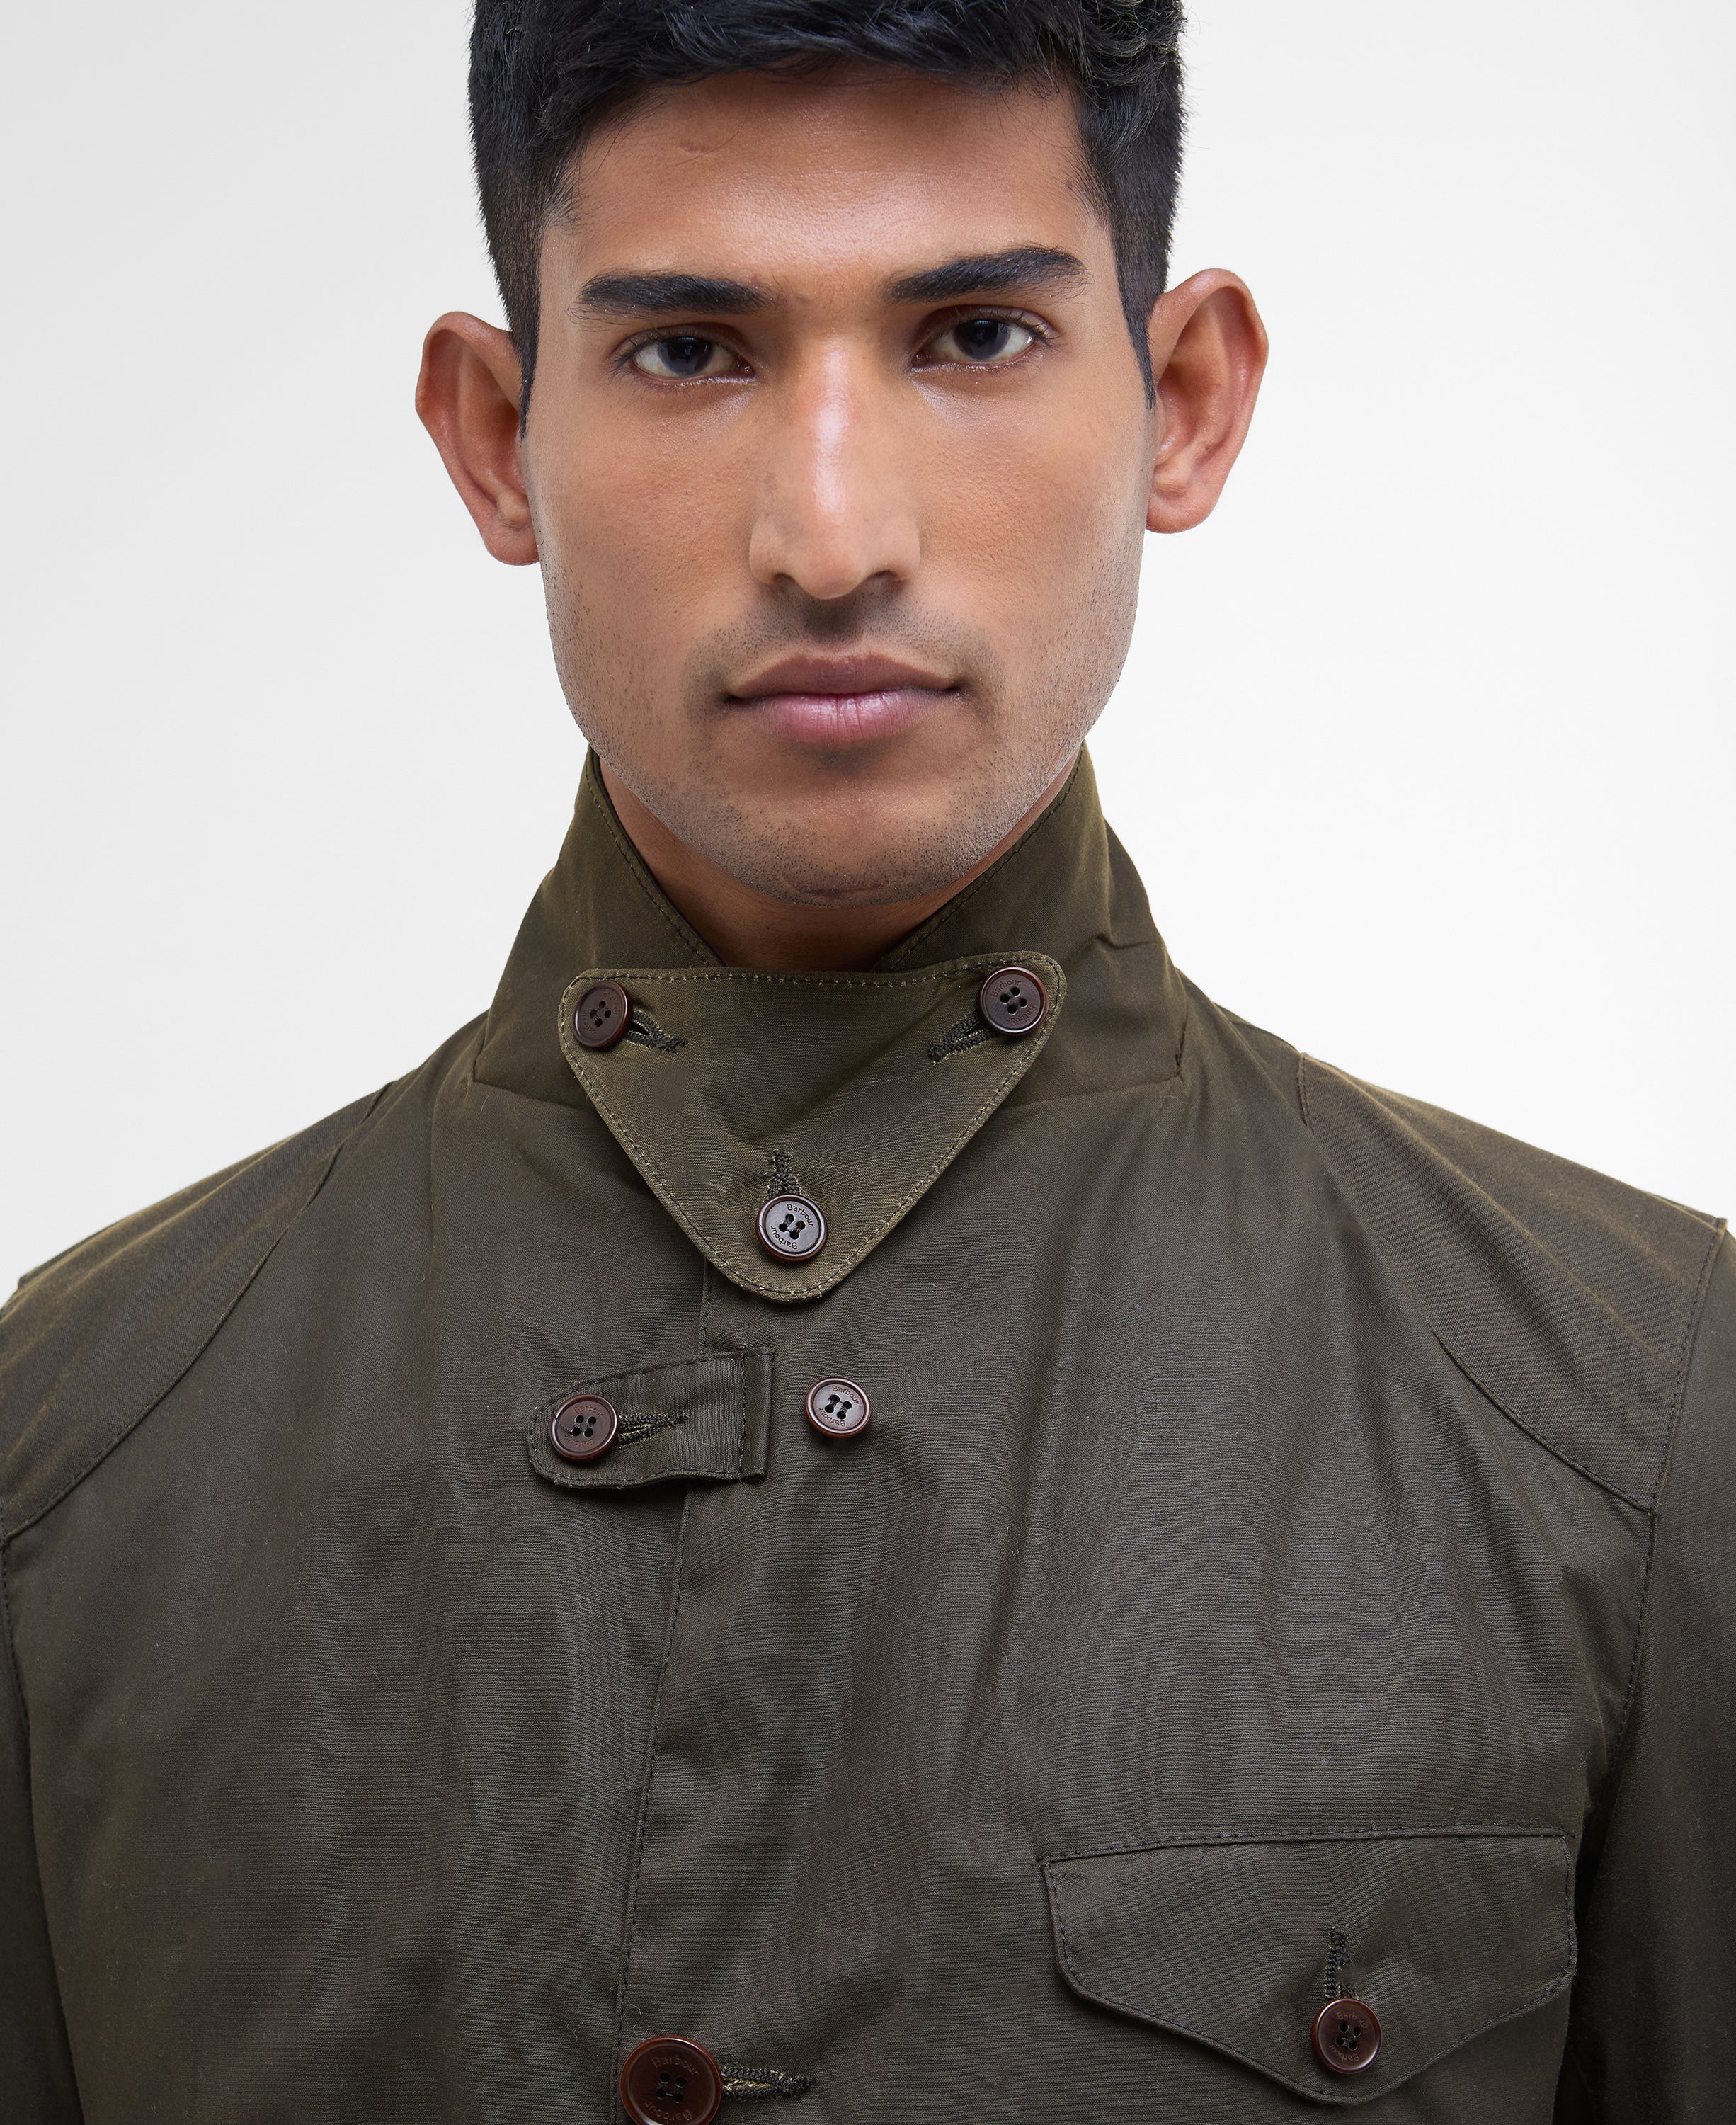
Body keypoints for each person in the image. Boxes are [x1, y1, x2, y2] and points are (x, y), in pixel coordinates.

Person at [1, 3, 1728, 2118]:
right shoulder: (69, 1455)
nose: (832, 538)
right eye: (689, 351)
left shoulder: (1638, 1420)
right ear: (495, 438)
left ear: (1183, 403)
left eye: (974, 336)